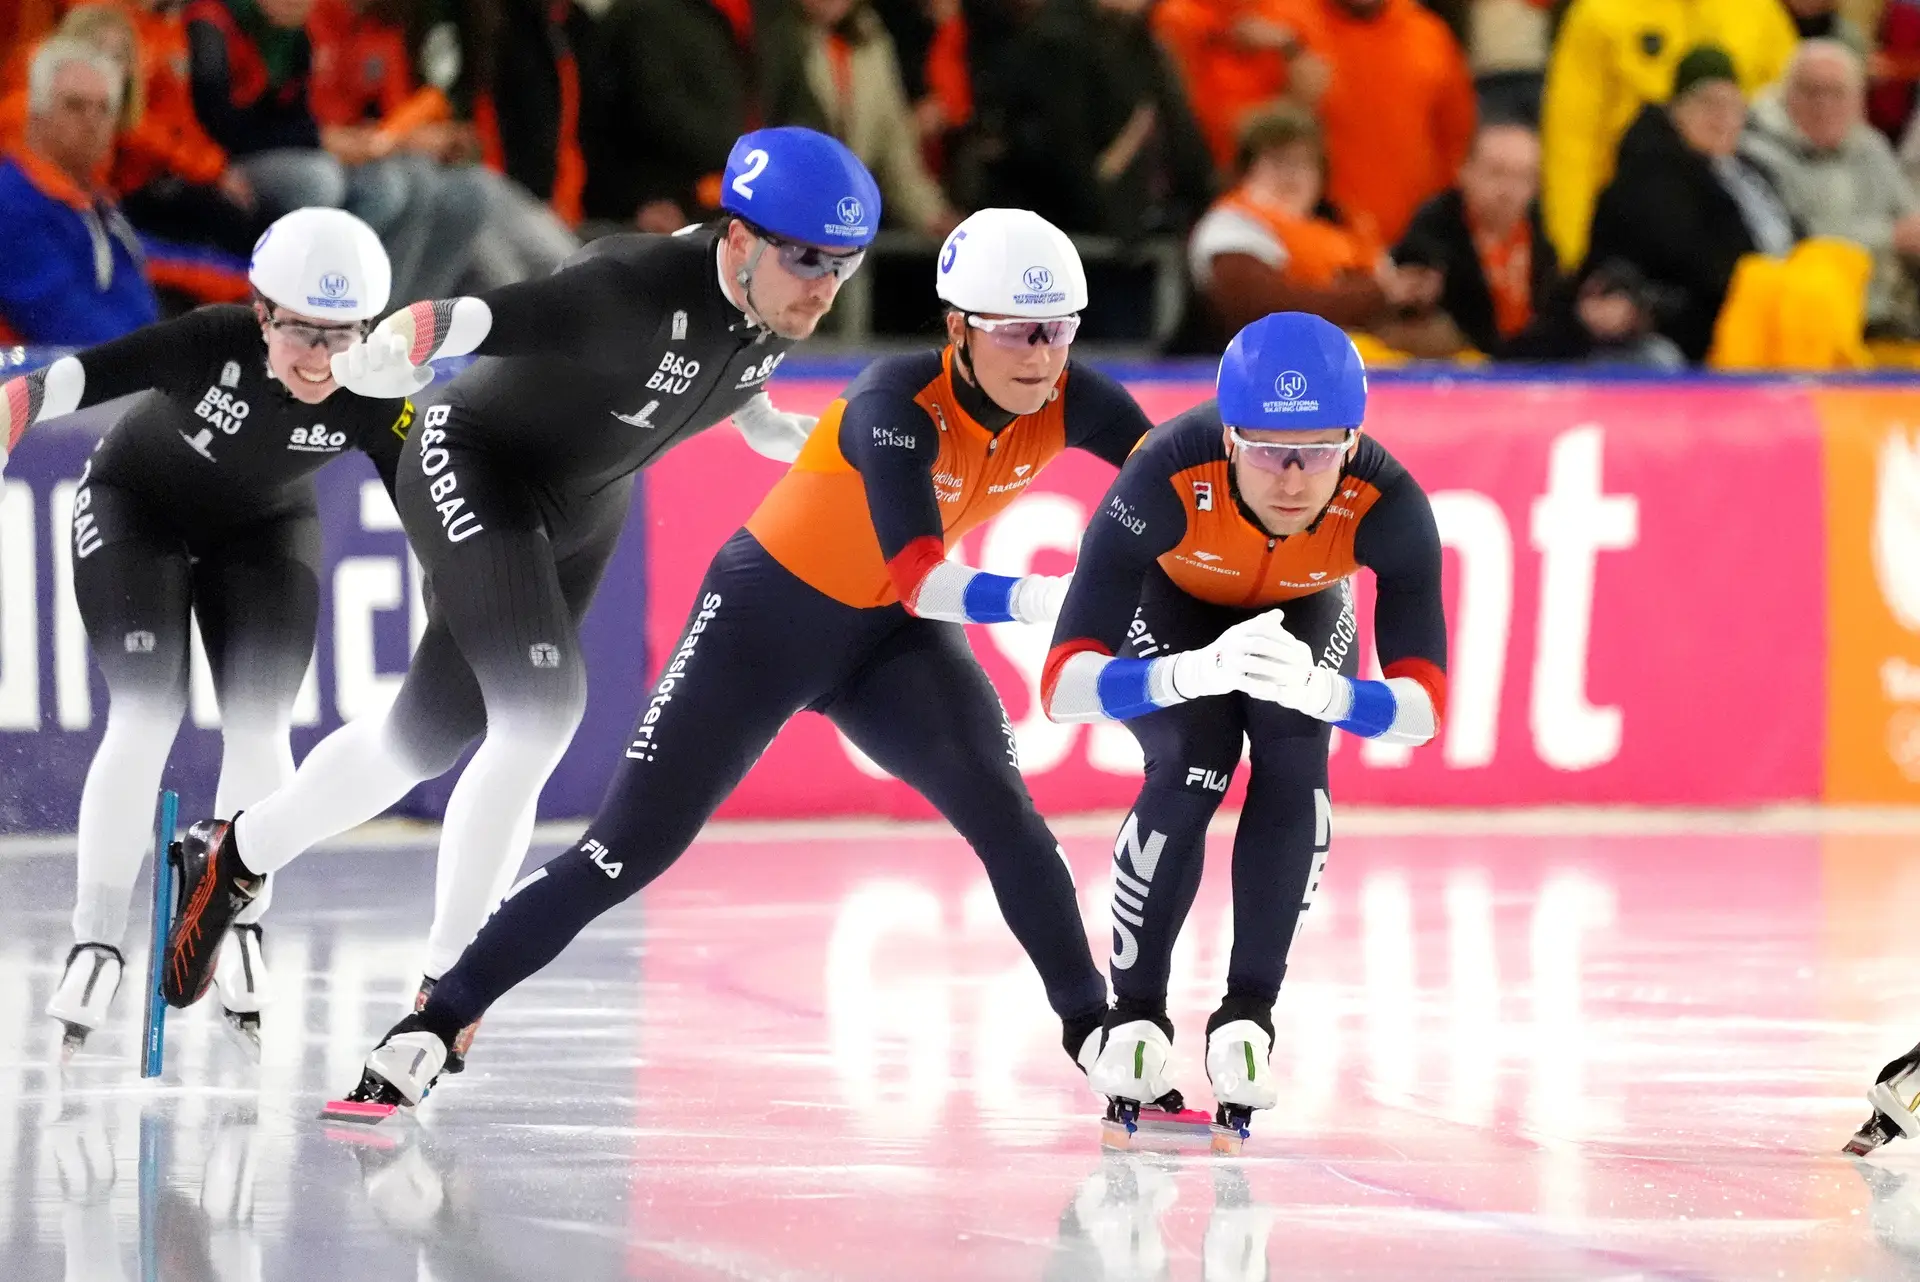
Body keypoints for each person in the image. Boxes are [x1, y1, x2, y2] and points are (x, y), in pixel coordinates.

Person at [331, 207, 1157, 1112]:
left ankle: (1096, 1033)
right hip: (764, 623)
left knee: (1007, 815)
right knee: (622, 854)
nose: (1044, 356)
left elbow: (1186, 482)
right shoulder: (890, 403)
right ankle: (435, 1022)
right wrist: (1048, 598)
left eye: (1062, 331)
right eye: (1019, 333)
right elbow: (920, 575)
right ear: (958, 328)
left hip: (889, 643)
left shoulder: (1079, 399)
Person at [158, 129, 881, 1070]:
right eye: (807, 260)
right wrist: (386, 351)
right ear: (738, 240)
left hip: (584, 505)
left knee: (423, 735)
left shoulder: (764, 307)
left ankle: (234, 855)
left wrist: (783, 434)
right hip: (475, 464)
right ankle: (446, 988)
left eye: (845, 266)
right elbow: (477, 317)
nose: (824, 288)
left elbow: (725, 383)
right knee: (542, 717)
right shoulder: (628, 286)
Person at [0, 206, 407, 1054]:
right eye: (303, 333)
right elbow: (84, 376)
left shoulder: (375, 386)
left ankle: (239, 923)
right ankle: (97, 938)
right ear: (261, 313)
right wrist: (20, 403)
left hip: (263, 534)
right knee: (147, 715)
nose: (325, 360)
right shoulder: (209, 339)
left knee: (263, 723)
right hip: (135, 510)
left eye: (346, 336)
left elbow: (429, 497)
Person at [1039, 311, 1446, 1149]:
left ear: (1354, 441)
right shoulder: (1162, 473)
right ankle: (1138, 1017)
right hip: (1173, 608)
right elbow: (1063, 687)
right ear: (1226, 441)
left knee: (1296, 754)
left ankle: (1249, 1020)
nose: (1294, 480)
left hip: (1304, 611)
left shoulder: (1391, 501)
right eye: (1267, 450)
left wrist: (1326, 692)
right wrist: (1188, 672)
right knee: (1195, 756)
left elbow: (1423, 709)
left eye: (1320, 451)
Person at [1587, 44, 1799, 365]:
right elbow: (1693, 263)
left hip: (1772, 317)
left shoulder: (1751, 170)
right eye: (1708, 104)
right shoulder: (1652, 175)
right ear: (1675, 109)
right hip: (1681, 332)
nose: (1722, 118)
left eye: (1733, 106)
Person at [1743, 39, 1920, 339]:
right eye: (1811, 91)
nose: (1824, 105)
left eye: (1837, 93)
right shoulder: (1757, 155)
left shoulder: (1871, 147)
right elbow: (1795, 242)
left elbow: (1911, 222)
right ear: (1786, 94)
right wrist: (1888, 237)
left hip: (1885, 316)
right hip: (1804, 322)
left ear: (1858, 99)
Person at [0, 38, 159, 344]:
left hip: (122, 361)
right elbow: (64, 320)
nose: (92, 122)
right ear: (36, 114)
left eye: (104, 109)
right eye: (74, 105)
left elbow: (154, 257)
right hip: (38, 379)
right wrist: (169, 361)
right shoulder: (13, 200)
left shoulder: (88, 199)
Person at [1393, 119, 1557, 357]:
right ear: (1465, 170)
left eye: (1523, 177)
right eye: (1496, 173)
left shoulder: (1548, 238)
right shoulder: (1432, 236)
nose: (1508, 190)